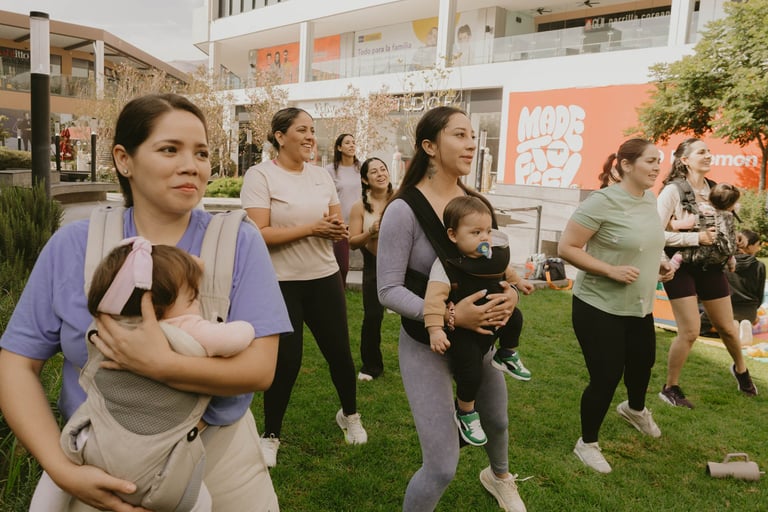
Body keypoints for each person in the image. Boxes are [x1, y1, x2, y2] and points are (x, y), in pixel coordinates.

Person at [0, 93, 290, 512]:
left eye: (201, 153)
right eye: (170, 149)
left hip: (218, 465)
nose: (192, 165)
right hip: (100, 467)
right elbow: (16, 365)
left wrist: (162, 365)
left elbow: (260, 369)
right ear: (124, 160)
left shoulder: (238, 242)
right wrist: (62, 470)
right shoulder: (73, 246)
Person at [377, 106, 527, 512]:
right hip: (426, 344)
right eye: (459, 135)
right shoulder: (403, 210)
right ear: (429, 146)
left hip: (480, 341)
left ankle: (499, 476)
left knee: (497, 420)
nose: (471, 143)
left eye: (472, 135)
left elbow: (495, 265)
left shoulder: (476, 203)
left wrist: (511, 294)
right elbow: (387, 290)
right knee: (442, 466)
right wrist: (450, 316)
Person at [36, 239, 257, 511]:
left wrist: (180, 274)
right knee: (201, 502)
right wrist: (245, 327)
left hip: (95, 443)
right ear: (157, 304)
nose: (197, 303)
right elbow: (239, 336)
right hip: (159, 466)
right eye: (192, 298)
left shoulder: (110, 327)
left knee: (57, 472)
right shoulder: (187, 328)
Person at [241, 107, 367, 469]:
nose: (311, 136)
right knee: (286, 361)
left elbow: (336, 222)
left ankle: (350, 415)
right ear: (280, 137)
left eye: (312, 130)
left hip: (323, 277)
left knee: (340, 354)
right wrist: (313, 229)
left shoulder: (320, 176)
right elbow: (258, 233)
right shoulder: (260, 176)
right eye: (302, 130)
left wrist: (336, 229)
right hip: (281, 283)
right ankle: (271, 434)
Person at [559, 138, 673, 474]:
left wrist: (659, 263)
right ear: (626, 164)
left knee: (642, 364)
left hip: (639, 305)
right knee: (607, 375)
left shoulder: (648, 199)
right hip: (598, 305)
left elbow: (646, 243)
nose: (657, 167)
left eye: (658, 161)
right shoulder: (602, 202)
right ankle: (587, 443)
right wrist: (609, 270)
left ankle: (634, 410)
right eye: (650, 161)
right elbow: (567, 247)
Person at [423, 196, 533, 448]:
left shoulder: (492, 256)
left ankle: (506, 353)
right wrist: (435, 330)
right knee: (471, 371)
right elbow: (433, 301)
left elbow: (506, 270)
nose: (485, 238)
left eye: (488, 231)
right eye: (476, 232)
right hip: (463, 333)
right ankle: (466, 412)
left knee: (516, 318)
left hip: (493, 320)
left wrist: (519, 283)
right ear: (453, 235)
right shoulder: (446, 265)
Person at [656, 138, 757, 408]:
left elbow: (724, 225)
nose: (708, 155)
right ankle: (670, 387)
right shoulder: (672, 191)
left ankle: (741, 370)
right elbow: (654, 232)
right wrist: (695, 238)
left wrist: (731, 249)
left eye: (709, 151)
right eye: (701, 152)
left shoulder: (714, 189)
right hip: (680, 266)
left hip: (711, 265)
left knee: (727, 328)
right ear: (685, 160)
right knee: (690, 331)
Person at [348, 157, 394, 381]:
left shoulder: (400, 199)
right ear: (365, 180)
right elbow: (352, 242)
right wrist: (371, 232)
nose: (380, 174)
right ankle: (371, 365)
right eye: (374, 172)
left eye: (383, 169)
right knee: (373, 315)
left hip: (402, 263)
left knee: (416, 314)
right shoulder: (359, 207)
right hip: (373, 264)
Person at [700, 229, 766, 343]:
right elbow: (759, 296)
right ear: (749, 246)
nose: (758, 248)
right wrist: (753, 311)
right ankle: (738, 328)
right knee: (743, 320)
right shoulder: (760, 266)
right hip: (749, 314)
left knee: (698, 327)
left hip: (723, 311)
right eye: (757, 245)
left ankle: (730, 330)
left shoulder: (721, 262)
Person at [667, 182, 740, 273]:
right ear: (730, 206)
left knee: (682, 255)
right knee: (728, 250)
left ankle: (673, 265)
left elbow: (689, 223)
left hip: (698, 251)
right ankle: (732, 263)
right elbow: (730, 237)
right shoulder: (727, 217)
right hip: (718, 255)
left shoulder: (701, 209)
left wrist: (673, 224)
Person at [325, 133, 361, 286]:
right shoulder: (329, 170)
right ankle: (340, 293)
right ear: (339, 148)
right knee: (342, 267)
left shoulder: (362, 168)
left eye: (353, 142)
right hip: (341, 224)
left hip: (362, 223)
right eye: (347, 143)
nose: (352, 145)